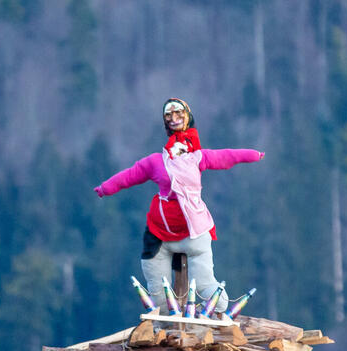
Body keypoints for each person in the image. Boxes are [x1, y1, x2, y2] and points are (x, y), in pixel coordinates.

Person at [93, 98, 264, 313]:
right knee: (158, 289)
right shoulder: (156, 162)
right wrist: (105, 188)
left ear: (187, 116)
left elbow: (227, 156)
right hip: (160, 233)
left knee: (205, 285)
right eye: (169, 116)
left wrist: (252, 155)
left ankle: (213, 306)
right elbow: (130, 175)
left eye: (178, 114)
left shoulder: (199, 157)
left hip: (193, 229)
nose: (174, 119)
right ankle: (165, 316)